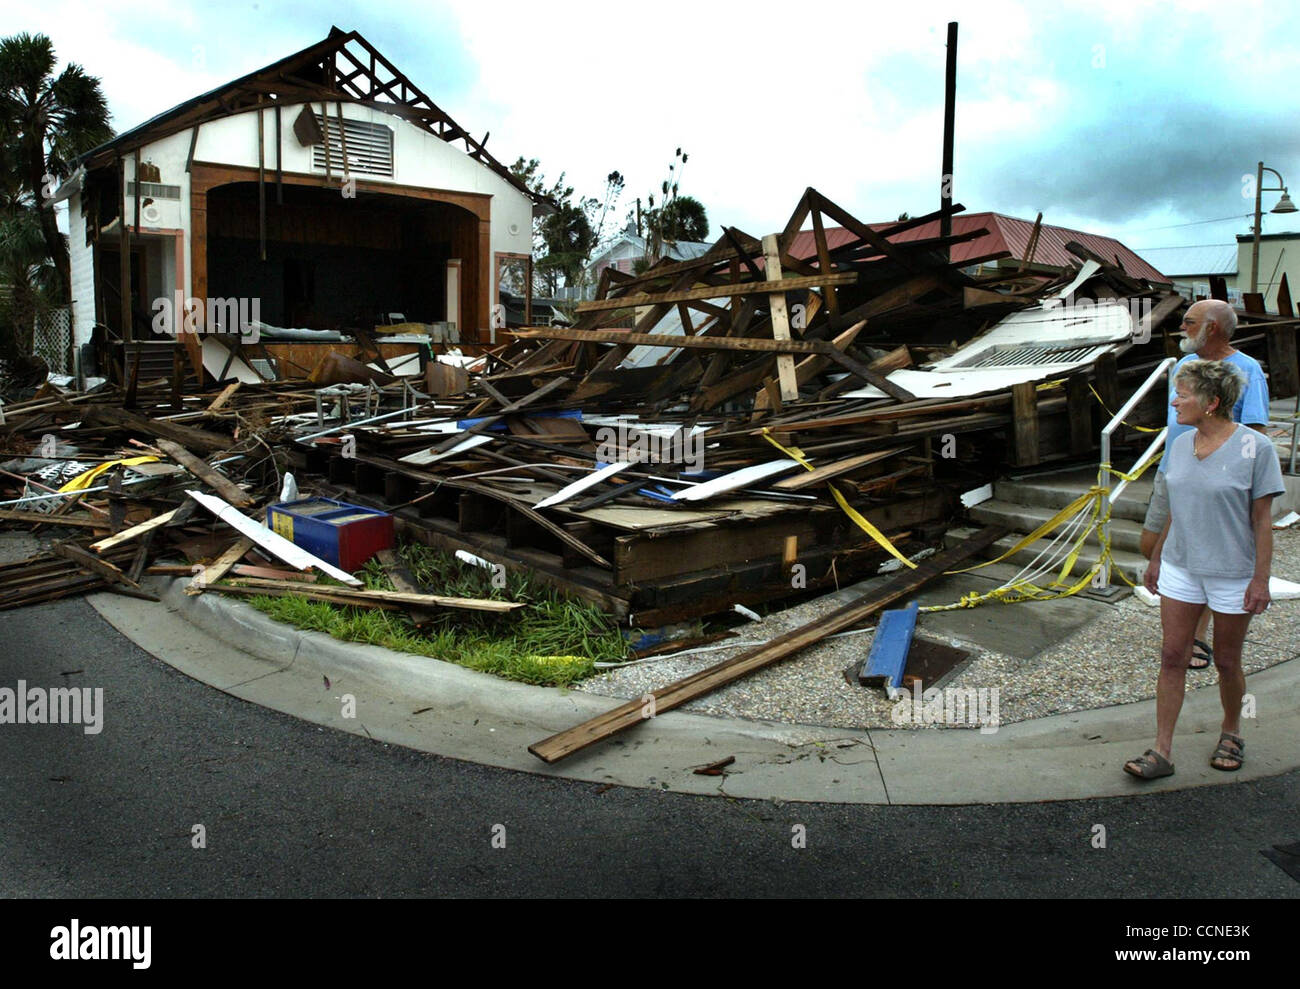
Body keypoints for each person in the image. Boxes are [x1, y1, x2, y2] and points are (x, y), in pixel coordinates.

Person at [1125, 359, 1285, 779]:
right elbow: (1177, 510)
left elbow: (1262, 521)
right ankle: (1161, 751)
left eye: (1183, 394)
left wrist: (1260, 579)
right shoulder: (1180, 445)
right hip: (1181, 566)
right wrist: (1158, 557)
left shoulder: (1256, 449)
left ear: (1212, 402)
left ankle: (1231, 732)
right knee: (1172, 655)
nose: (1175, 401)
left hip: (1232, 571)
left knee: (1228, 662)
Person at [1139, 299, 1269, 669]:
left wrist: (1237, 480)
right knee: (1153, 543)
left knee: (1205, 553)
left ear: (1211, 328)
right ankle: (1184, 614)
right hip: (1175, 469)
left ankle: (1195, 635)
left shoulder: (1247, 370)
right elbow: (1178, 419)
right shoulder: (1184, 365)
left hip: (1218, 481)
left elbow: (1255, 430)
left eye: (1189, 321)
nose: (1181, 327)